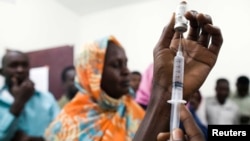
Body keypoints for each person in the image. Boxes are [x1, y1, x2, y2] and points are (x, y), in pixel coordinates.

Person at [133, 9, 223, 141]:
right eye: (154, 80)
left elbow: (208, 134)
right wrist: (164, 95)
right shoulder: (133, 114)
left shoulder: (187, 110)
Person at [44, 35, 145, 141]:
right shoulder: (67, 124)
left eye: (125, 63)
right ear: (92, 73)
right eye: (116, 65)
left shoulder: (133, 110)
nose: (126, 71)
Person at [0, 50, 60, 141]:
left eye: (25, 65)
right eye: (13, 65)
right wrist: (19, 102)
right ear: (2, 72)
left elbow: (62, 132)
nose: (20, 70)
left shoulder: (47, 98)